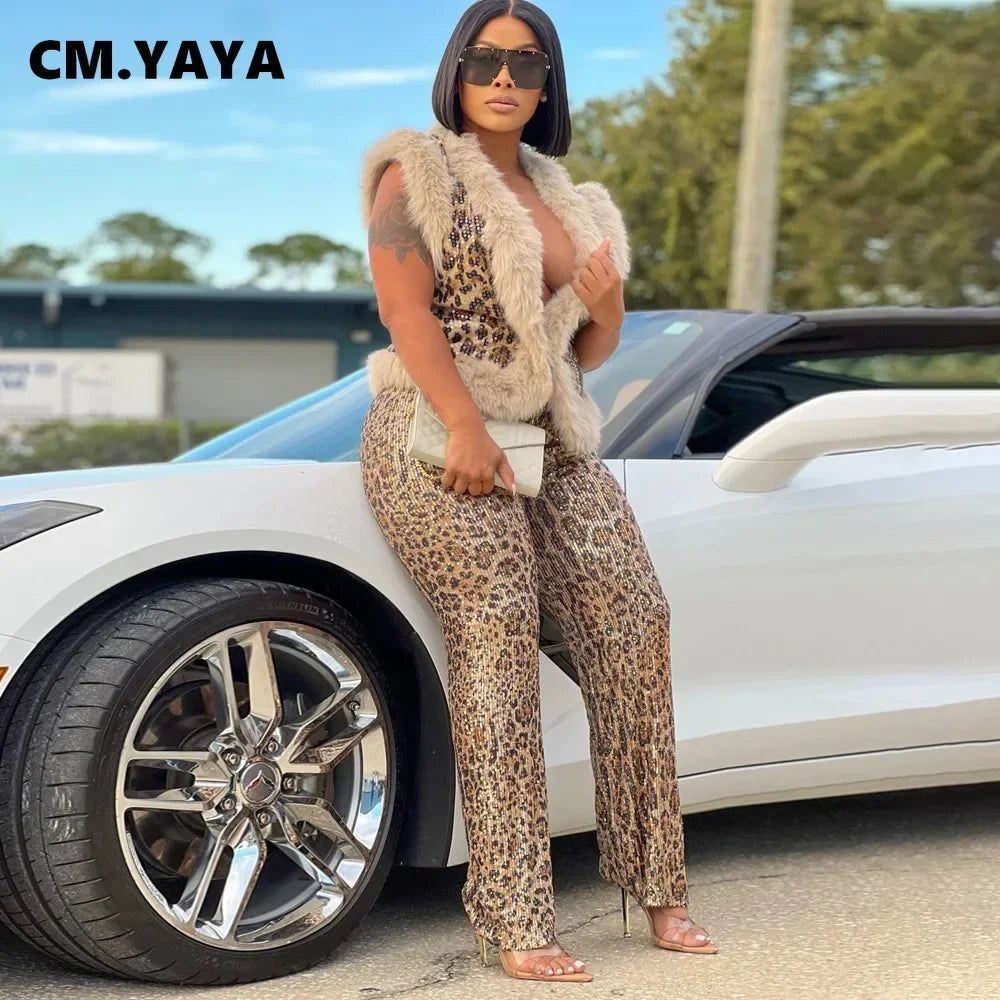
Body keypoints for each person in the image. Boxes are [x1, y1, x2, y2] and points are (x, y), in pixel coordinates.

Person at [358, 0, 716, 984]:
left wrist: (609, 306)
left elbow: (586, 350)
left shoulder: (576, 201)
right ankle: (514, 914)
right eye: (486, 60)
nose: (504, 78)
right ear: (457, 70)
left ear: (548, 82)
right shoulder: (415, 170)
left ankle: (656, 885)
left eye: (526, 63)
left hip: (553, 439)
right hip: (438, 431)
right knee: (499, 635)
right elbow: (402, 309)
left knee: (633, 621)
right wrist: (464, 424)